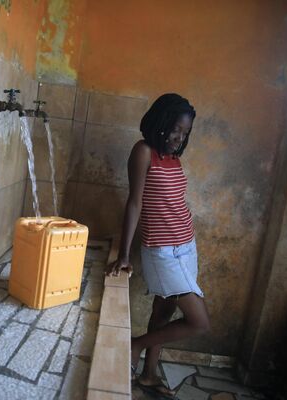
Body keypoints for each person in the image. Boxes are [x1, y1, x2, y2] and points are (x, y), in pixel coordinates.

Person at [106, 93, 210, 398]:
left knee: (161, 316)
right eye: (176, 129)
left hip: (186, 247)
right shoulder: (143, 152)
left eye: (185, 133)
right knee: (200, 322)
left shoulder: (172, 157)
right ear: (162, 122)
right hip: (163, 252)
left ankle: (149, 376)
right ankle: (135, 345)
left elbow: (174, 202)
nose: (179, 138)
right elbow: (135, 203)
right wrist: (125, 254)